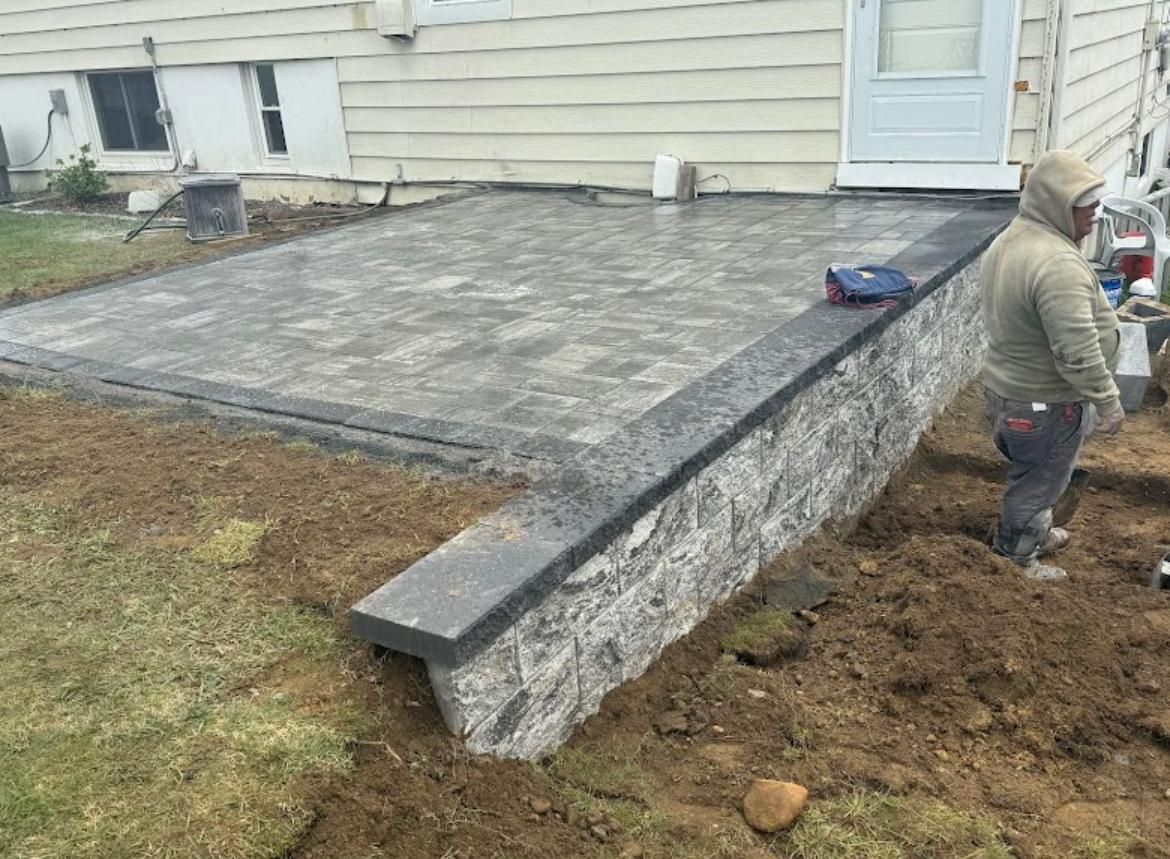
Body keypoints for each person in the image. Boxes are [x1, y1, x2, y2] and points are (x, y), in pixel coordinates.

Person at [981, 150, 1124, 582]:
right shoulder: (1056, 264)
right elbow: (1075, 350)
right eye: (1086, 204)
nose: (1094, 212)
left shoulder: (1012, 239)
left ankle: (1034, 533)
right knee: (1037, 483)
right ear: (1057, 203)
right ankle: (1018, 559)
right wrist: (1108, 400)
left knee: (1033, 473)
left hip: (1011, 391)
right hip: (1045, 402)